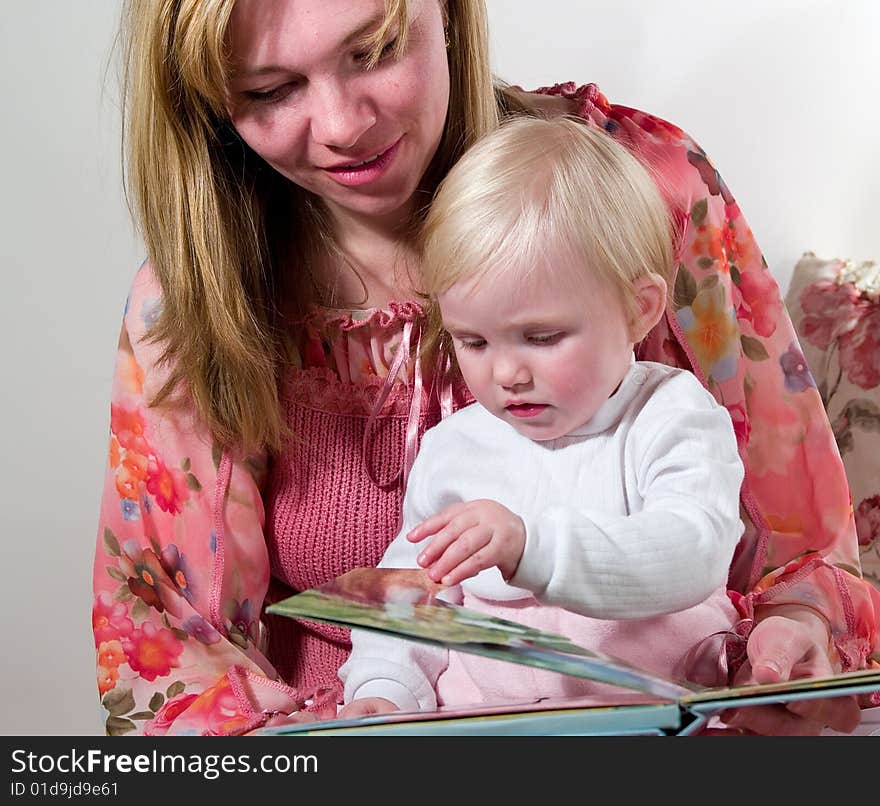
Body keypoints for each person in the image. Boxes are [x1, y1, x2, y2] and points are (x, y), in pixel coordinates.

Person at [93, 0, 876, 736]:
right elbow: (168, 640)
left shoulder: (642, 192)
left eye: (374, 50)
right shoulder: (197, 299)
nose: (341, 128)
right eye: (269, 90)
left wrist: (796, 630)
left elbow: (792, 543)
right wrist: (366, 719)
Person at [338, 115, 747, 715]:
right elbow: (412, 592)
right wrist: (383, 690)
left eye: (542, 336)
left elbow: (695, 548)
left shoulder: (672, 416)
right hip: (485, 721)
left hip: (657, 715)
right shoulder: (455, 449)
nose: (506, 374)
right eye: (473, 342)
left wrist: (535, 547)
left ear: (639, 311)